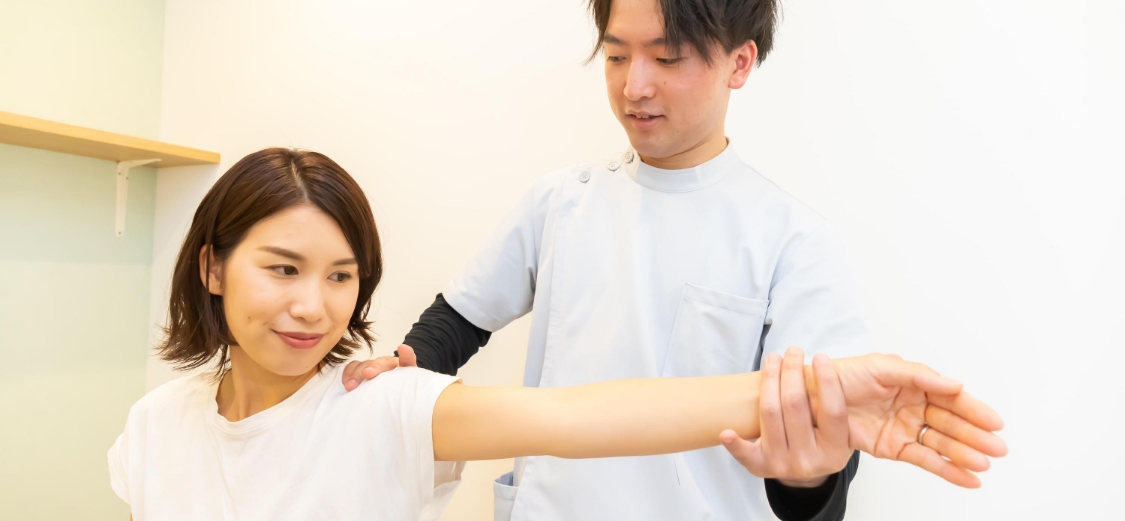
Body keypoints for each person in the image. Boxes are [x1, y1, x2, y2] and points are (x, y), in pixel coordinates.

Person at [109, 148, 1005, 521]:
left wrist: (828, 395)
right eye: (283, 269)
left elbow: (580, 417)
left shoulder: (383, 412)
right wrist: (413, 355)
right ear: (211, 267)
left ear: (737, 59)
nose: (313, 307)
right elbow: (462, 311)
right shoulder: (157, 424)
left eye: (341, 277)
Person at [341, 0, 893, 519]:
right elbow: (460, 317)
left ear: (740, 61)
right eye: (616, 56)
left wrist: (810, 476)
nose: (634, 86)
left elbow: (821, 453)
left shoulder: (793, 241)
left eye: (667, 57)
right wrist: (405, 369)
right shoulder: (561, 200)